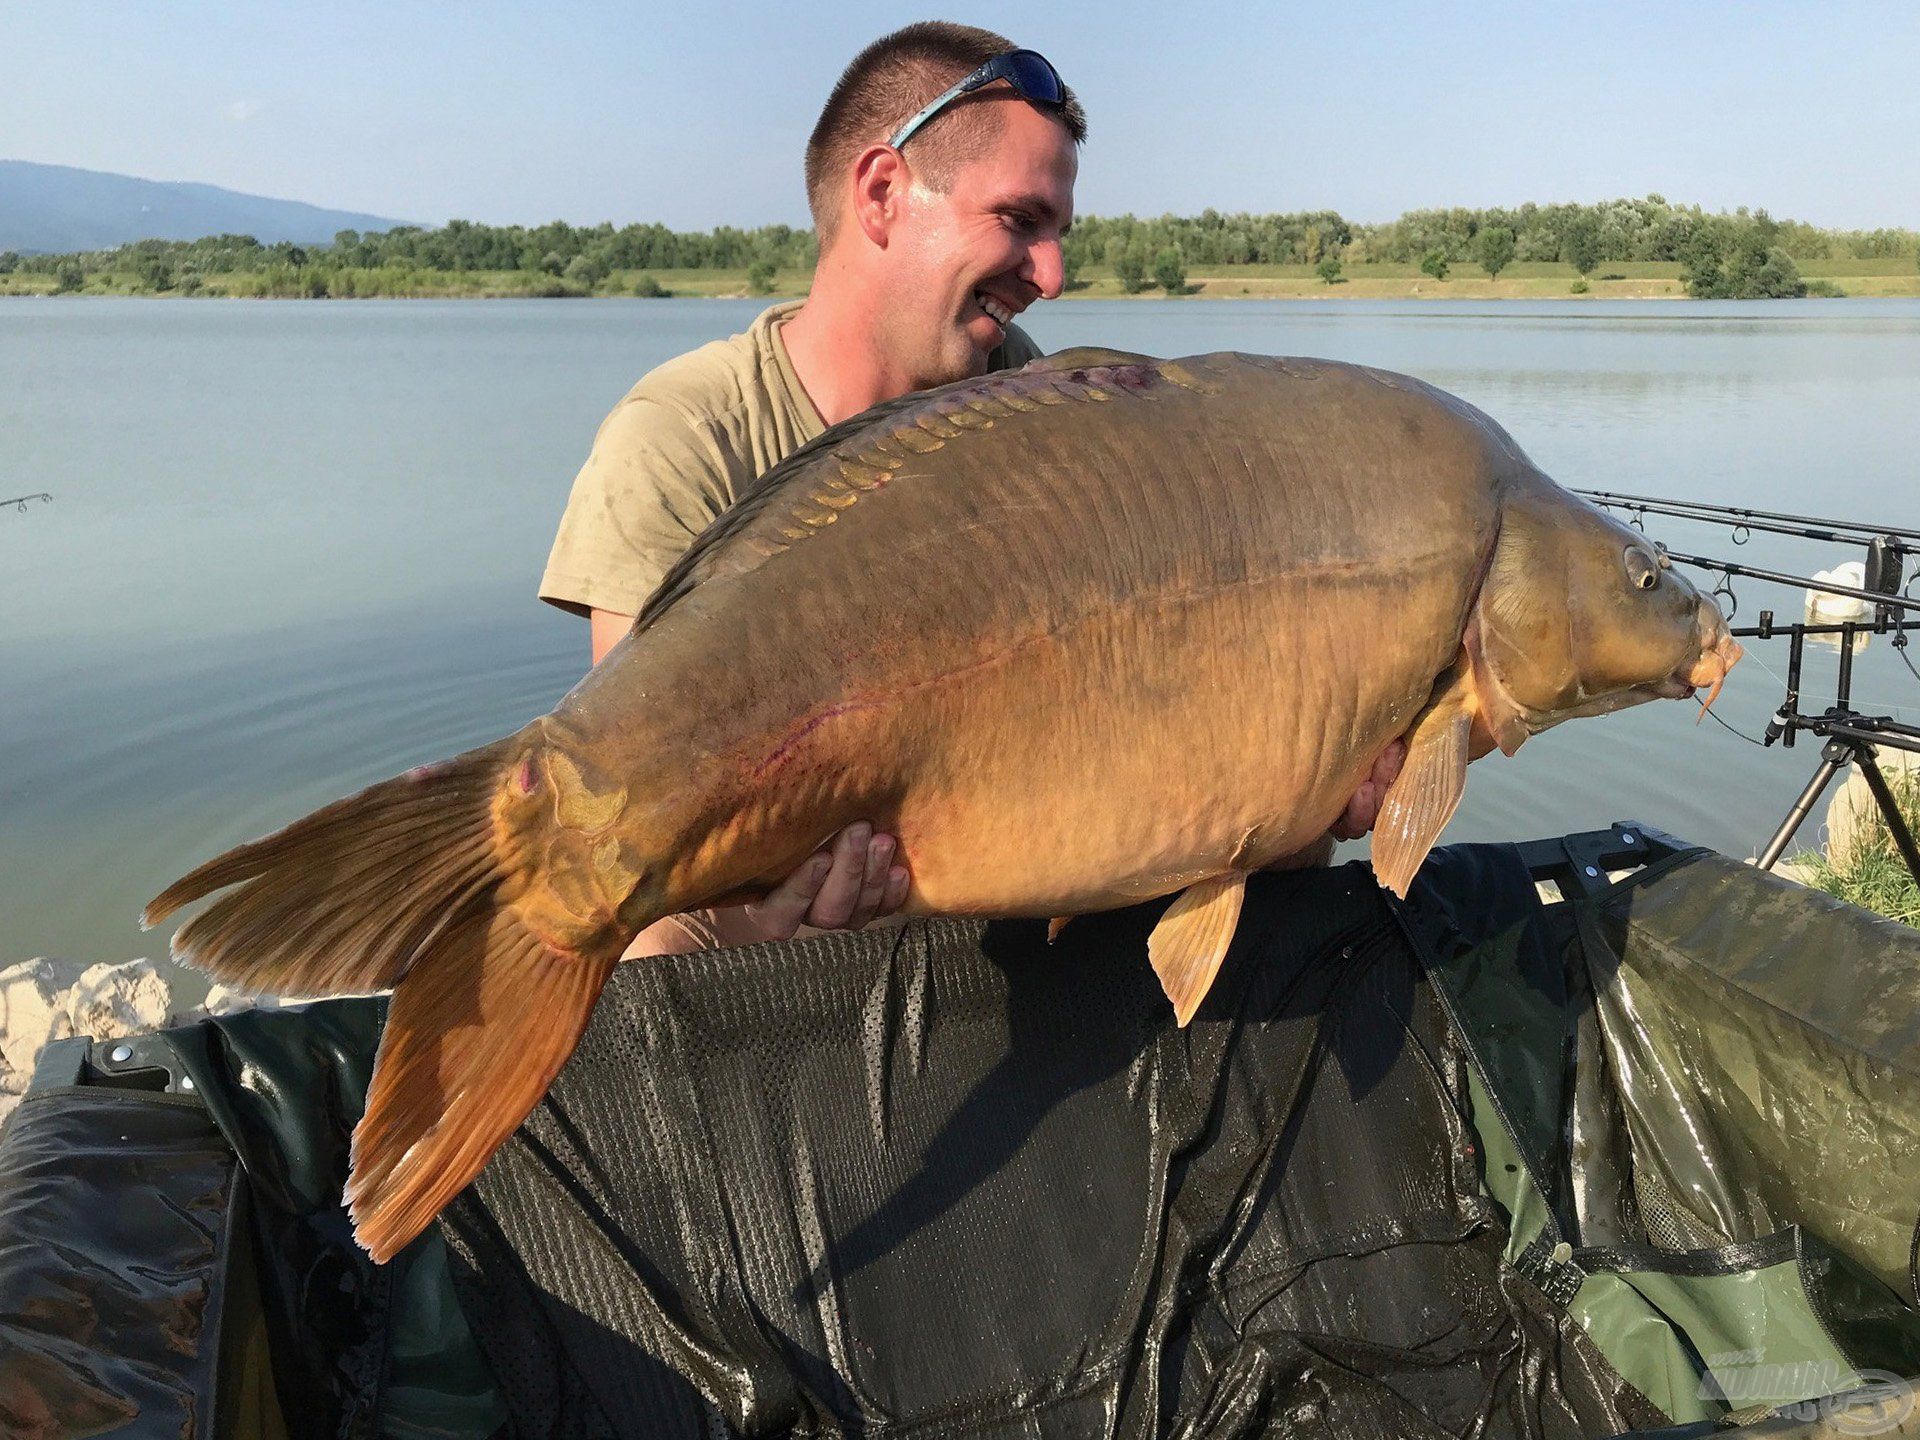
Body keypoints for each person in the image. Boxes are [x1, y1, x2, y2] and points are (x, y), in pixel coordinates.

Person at [540, 22, 1403, 957]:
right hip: (758, 938)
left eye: (1059, 235)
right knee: (642, 937)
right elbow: (629, 807)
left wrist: (1306, 796)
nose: (1053, 275)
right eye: (1021, 221)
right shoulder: (687, 433)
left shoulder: (1041, 402)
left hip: (1014, 907)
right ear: (882, 193)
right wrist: (761, 911)